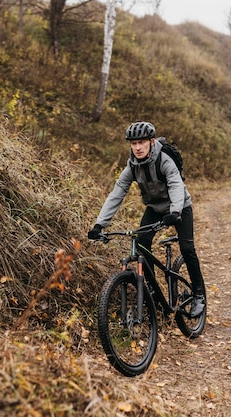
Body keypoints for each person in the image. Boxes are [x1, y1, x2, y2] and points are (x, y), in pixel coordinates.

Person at [87, 121, 205, 318]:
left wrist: (175, 212)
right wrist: (100, 224)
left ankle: (199, 294)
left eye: (142, 142)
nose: (137, 148)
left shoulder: (165, 160)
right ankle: (151, 290)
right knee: (142, 243)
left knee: (187, 248)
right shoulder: (132, 166)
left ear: (151, 142)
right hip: (155, 209)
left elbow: (176, 185)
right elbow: (117, 194)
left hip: (180, 207)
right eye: (133, 144)